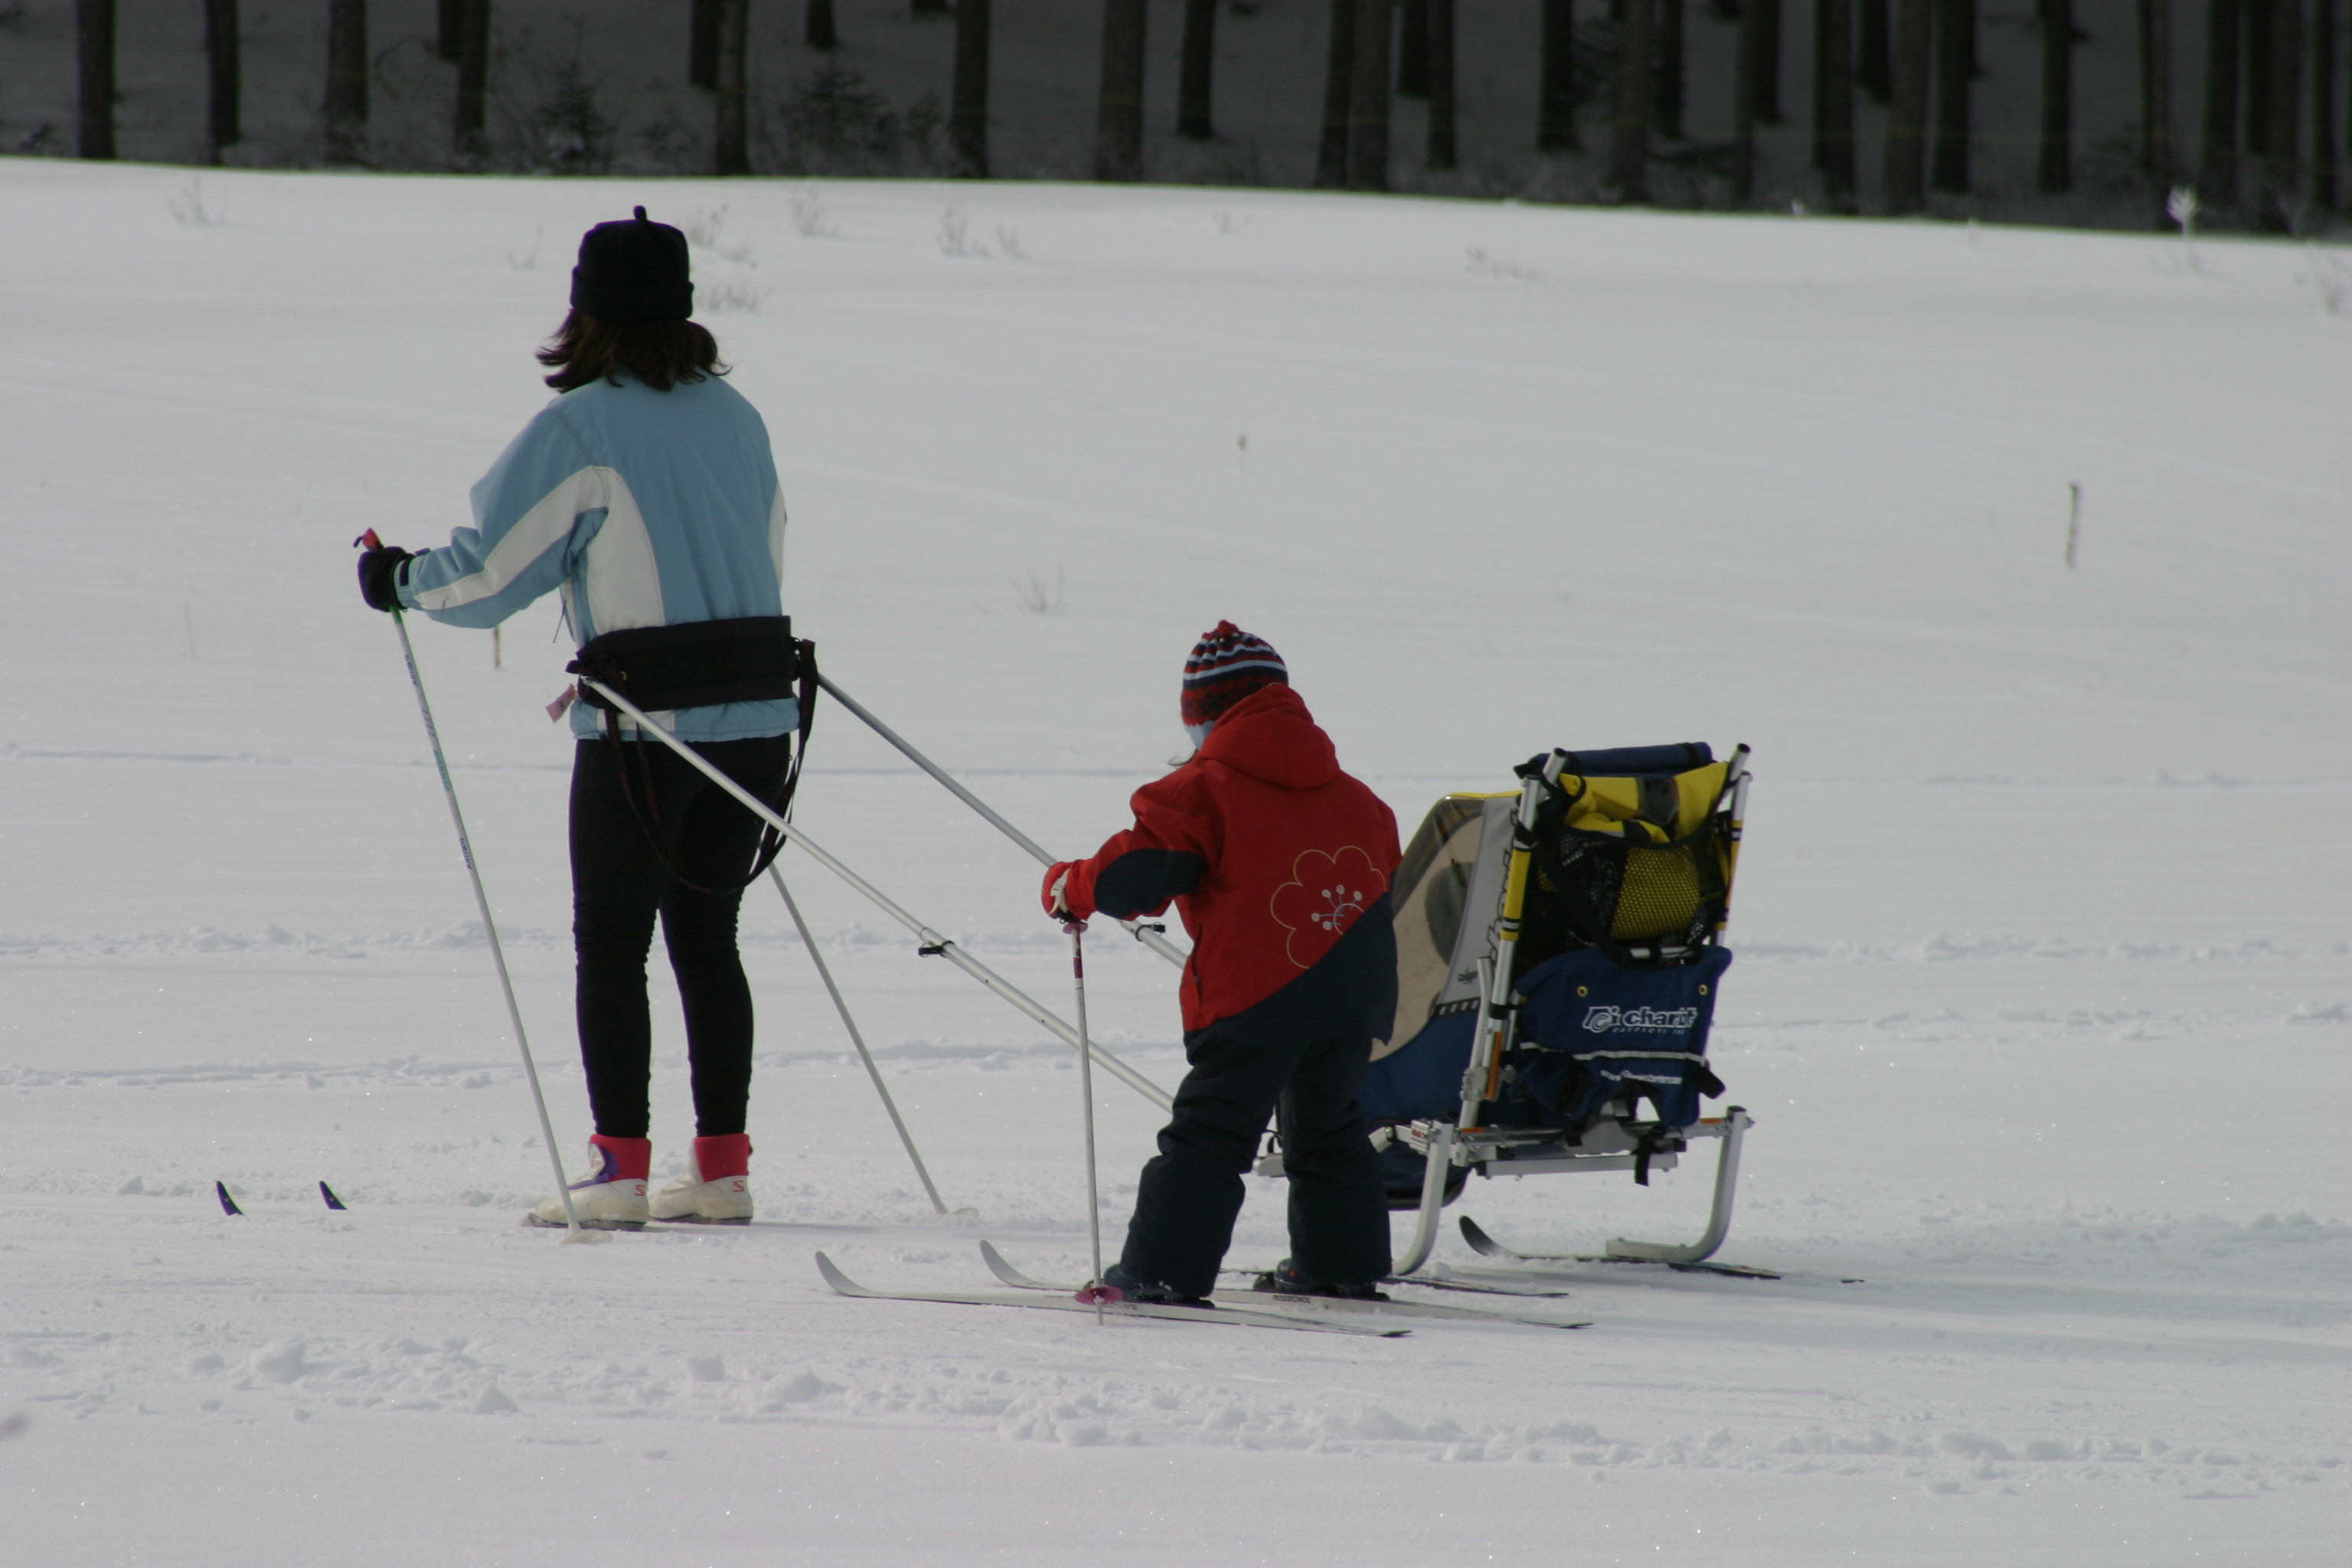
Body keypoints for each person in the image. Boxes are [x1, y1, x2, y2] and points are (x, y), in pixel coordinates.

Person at [355, 207, 793, 1230]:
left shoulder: (581, 427)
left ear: (585, 314)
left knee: (613, 941)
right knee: (709, 937)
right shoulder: (740, 417)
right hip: (759, 718)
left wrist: (398, 579)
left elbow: (490, 577)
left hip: (644, 728)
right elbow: (767, 542)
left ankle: (618, 1170)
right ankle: (722, 1171)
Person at [1041, 623, 1403, 1303]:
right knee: (1329, 1128)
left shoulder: (1203, 789)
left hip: (1259, 994)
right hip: (1354, 995)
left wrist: (1070, 885)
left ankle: (1162, 1273)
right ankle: (1341, 1266)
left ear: (1204, 717)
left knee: (1211, 1133)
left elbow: (1134, 878)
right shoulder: (1361, 799)